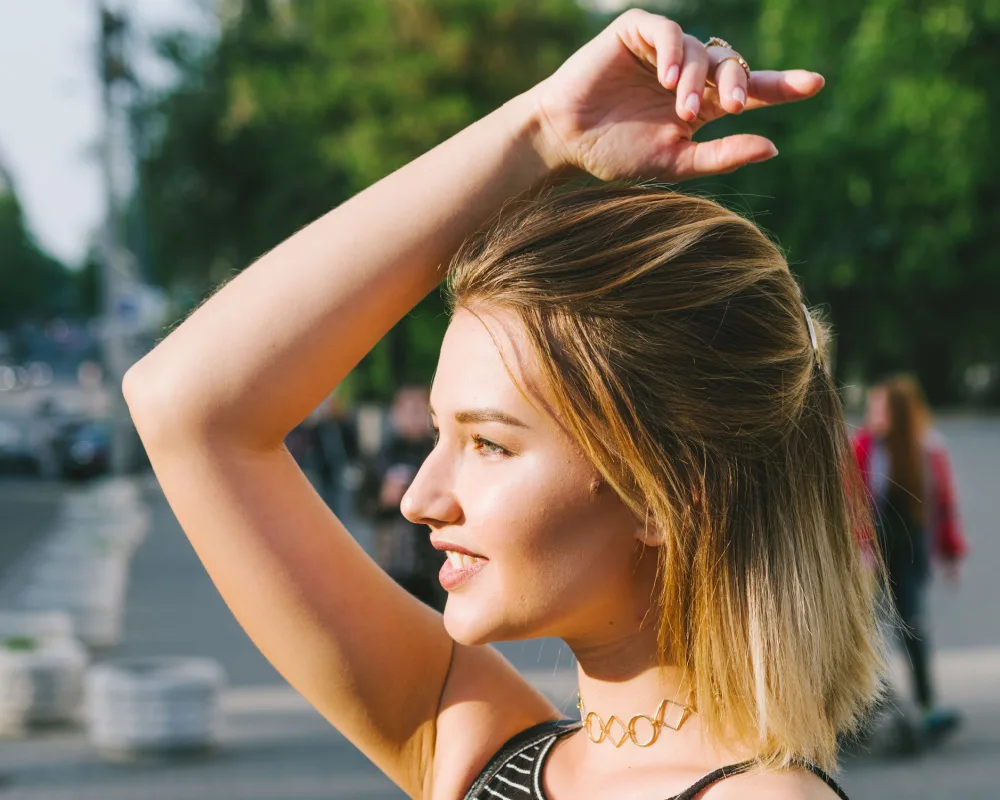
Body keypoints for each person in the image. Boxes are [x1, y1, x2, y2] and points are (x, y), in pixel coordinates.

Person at [123, 11, 883, 798]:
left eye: (488, 444)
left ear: (668, 492)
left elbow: (191, 412)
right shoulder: (485, 748)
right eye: (440, 433)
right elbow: (185, 404)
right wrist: (540, 129)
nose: (420, 498)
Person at [853, 374, 967, 740]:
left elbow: (943, 506)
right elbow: (851, 502)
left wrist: (951, 554)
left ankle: (926, 704)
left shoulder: (927, 449)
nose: (873, 415)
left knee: (913, 627)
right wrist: (859, 548)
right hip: (871, 553)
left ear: (900, 413)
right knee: (862, 630)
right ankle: (859, 708)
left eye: (881, 408)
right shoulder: (864, 447)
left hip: (909, 552)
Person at [370, 385, 446, 610]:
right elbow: (362, 505)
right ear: (396, 413)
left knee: (439, 632)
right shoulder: (381, 456)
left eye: (419, 409)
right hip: (394, 560)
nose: (413, 415)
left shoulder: (438, 451)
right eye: (407, 409)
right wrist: (383, 499)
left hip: (436, 562)